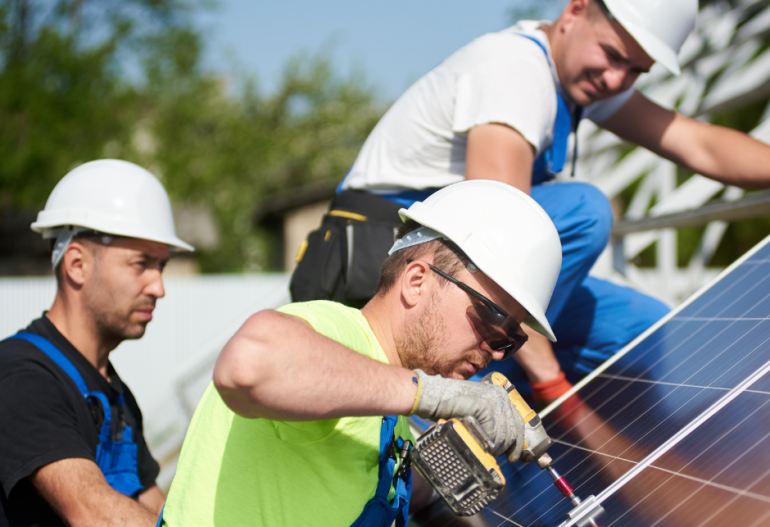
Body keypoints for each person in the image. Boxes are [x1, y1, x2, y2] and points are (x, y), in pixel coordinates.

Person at [290, 0, 770, 406]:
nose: (616, 78)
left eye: (636, 71)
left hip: (457, 266)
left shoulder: (582, 77)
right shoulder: (516, 71)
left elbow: (698, 144)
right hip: (397, 269)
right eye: (612, 55)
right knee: (583, 210)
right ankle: (443, 413)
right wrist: (551, 384)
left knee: (645, 332)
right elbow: (500, 251)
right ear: (576, 9)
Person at [160, 180, 563, 526]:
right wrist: (448, 396)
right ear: (417, 281)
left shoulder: (391, 411)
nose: (495, 351)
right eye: (490, 320)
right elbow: (248, 364)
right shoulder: (337, 332)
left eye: (510, 339)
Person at [0, 160, 194, 527]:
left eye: (162, 266)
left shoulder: (114, 393)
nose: (159, 287)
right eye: (141, 264)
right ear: (77, 264)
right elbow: (94, 515)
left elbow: (157, 514)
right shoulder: (21, 377)